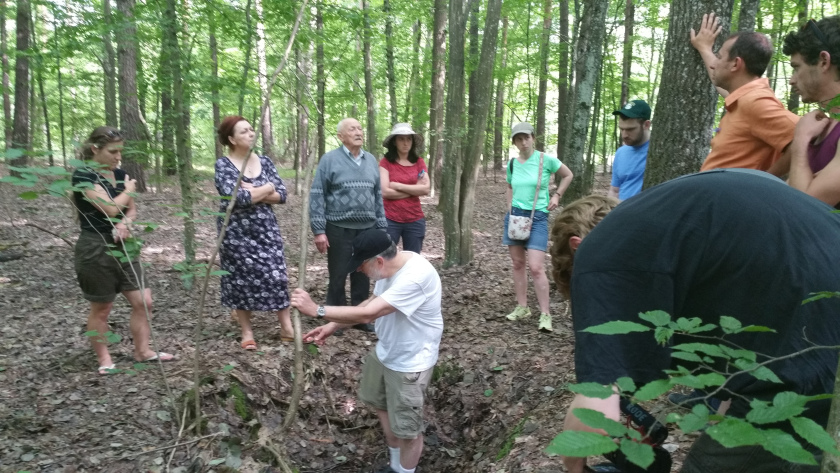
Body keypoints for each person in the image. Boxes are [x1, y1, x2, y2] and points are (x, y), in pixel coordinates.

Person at [549, 170, 840, 473]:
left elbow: (593, 414)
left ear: (576, 246)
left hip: (809, 349)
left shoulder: (598, 254)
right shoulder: (674, 225)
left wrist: (576, 466)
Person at [290, 229, 442, 473]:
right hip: (386, 352)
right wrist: (331, 326)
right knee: (381, 406)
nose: (358, 270)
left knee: (408, 431)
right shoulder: (392, 265)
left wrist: (316, 309)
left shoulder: (415, 276)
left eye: (361, 266)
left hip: (411, 363)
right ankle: (395, 466)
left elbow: (370, 313)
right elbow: (371, 302)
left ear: (379, 261)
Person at [72, 126, 174, 375]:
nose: (119, 157)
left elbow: (130, 210)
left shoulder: (120, 174)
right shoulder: (83, 175)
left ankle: (143, 351)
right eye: (113, 151)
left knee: (144, 301)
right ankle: (105, 359)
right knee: (102, 307)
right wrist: (128, 190)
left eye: (121, 151)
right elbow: (109, 208)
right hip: (95, 247)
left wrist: (125, 224)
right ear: (95, 149)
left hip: (125, 246)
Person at [215, 115, 293, 351]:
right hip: (235, 231)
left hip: (266, 229)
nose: (251, 134)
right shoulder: (223, 165)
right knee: (240, 278)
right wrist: (267, 188)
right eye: (244, 131)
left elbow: (283, 195)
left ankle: (286, 327)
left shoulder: (265, 161)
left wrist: (261, 189)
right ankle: (247, 331)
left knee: (277, 274)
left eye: (251, 129)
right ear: (231, 139)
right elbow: (237, 198)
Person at [690, 12, 799, 176]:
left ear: (735, 64)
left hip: (732, 199)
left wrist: (767, 179)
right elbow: (723, 84)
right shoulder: (745, 98)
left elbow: (804, 137)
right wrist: (705, 49)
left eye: (719, 57)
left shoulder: (755, 101)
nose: (714, 65)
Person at [310, 117, 388, 333]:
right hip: (338, 228)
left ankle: (359, 317)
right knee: (338, 274)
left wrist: (381, 227)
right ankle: (334, 319)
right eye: (352, 129)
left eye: (360, 128)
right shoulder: (329, 160)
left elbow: (377, 196)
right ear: (341, 136)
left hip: (367, 228)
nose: (358, 132)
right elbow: (317, 195)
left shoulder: (371, 160)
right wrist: (318, 230)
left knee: (363, 274)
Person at [504, 122, 574, 333]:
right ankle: (522, 307)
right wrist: (509, 209)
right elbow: (509, 186)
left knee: (536, 267)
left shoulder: (546, 160)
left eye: (526, 137)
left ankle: (545, 314)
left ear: (533, 138)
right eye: (518, 138)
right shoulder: (513, 164)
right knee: (517, 263)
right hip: (515, 217)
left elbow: (568, 175)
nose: (523, 142)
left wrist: (557, 194)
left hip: (538, 217)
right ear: (515, 142)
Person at [783, 16, 840, 208]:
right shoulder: (824, 126)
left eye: (797, 67)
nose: (792, 80)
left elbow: (805, 208)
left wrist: (800, 141)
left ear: (824, 61)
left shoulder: (810, 131)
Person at [379, 123, 430, 253]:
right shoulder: (385, 162)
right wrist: (414, 190)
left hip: (415, 219)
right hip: (390, 219)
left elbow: (425, 189)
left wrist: (398, 185)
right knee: (386, 258)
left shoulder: (419, 162)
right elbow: (385, 192)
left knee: (413, 261)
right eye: (401, 139)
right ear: (394, 142)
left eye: (408, 139)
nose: (405, 143)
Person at [608, 100, 651, 201]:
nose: (624, 135)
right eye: (621, 129)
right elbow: (614, 190)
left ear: (646, 125)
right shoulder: (621, 153)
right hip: (621, 212)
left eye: (630, 129)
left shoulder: (659, 150)